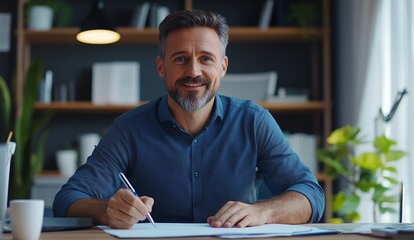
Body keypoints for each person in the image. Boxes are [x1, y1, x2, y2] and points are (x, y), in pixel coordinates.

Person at [53, 9, 324, 229]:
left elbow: (311, 195)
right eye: (180, 58)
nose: (193, 71)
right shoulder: (129, 129)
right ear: (161, 66)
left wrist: (263, 212)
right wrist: (107, 210)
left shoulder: (254, 121)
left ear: (223, 66)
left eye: (206, 58)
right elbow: (68, 199)